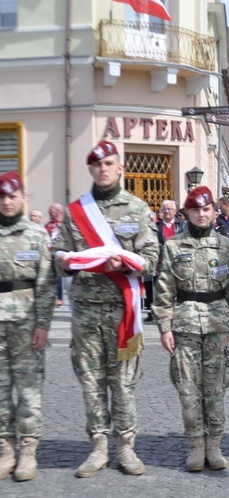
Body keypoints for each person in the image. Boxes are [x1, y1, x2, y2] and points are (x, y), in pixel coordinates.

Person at [55, 140, 159, 477]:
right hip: (85, 312)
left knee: (123, 383)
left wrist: (126, 265)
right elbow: (58, 257)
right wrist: (70, 264)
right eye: (97, 164)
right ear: (91, 169)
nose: (103, 169)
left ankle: (126, 448)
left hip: (122, 312)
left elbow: (152, 260)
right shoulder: (75, 212)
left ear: (120, 168)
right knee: (91, 382)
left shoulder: (138, 209)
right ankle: (98, 447)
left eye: (109, 163)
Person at [152, 186, 229, 472]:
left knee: (216, 390)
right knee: (189, 391)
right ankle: (195, 446)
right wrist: (164, 327)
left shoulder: (227, 247)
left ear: (214, 212)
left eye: (206, 209)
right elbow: (164, 289)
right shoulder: (173, 246)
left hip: (218, 324)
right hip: (185, 325)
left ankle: (214, 446)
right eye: (195, 210)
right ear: (187, 212)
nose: (201, 214)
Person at [0, 172, 56, 481]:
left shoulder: (36, 235)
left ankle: (28, 451)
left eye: (12, 196)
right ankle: (5, 450)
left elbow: (46, 285)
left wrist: (44, 324)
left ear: (23, 197)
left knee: (28, 389)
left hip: (25, 321)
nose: (7, 202)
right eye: (2, 197)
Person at [144, 200, 186, 322]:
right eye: (164, 209)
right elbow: (153, 242)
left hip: (178, 262)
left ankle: (178, 313)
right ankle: (159, 313)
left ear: (175, 211)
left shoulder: (182, 225)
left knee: (178, 289)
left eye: (169, 209)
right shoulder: (156, 226)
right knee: (160, 289)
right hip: (161, 262)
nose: (167, 211)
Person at [45, 203, 65, 307]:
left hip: (61, 254)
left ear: (58, 212)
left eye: (50, 211)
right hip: (48, 254)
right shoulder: (47, 225)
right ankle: (53, 297)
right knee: (51, 277)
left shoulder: (65, 225)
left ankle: (60, 298)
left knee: (60, 278)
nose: (48, 213)